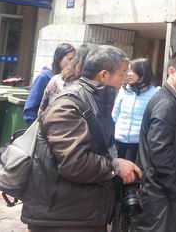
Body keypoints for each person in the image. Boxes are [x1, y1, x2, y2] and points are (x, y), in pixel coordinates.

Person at [21, 45, 142, 231]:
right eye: (122, 73)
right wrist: (115, 166)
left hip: (83, 213)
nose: (126, 78)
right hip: (61, 219)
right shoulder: (68, 105)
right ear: (104, 75)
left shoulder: (97, 101)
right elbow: (74, 163)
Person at [132, 51, 176, 232]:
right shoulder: (166, 104)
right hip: (161, 196)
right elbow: (159, 151)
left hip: (167, 193)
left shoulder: (175, 101)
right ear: (172, 71)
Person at [112, 58, 159, 161]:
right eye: (128, 70)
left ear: (142, 72)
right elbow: (115, 113)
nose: (128, 74)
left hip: (138, 143)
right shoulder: (124, 89)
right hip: (119, 139)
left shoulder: (154, 93)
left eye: (132, 71)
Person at [23, 43, 75, 124]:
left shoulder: (70, 80)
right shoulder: (44, 77)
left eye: (74, 60)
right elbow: (30, 110)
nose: (72, 63)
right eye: (70, 59)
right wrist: (39, 127)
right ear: (59, 59)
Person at [38, 44, 91, 117]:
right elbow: (39, 110)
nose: (71, 61)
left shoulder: (55, 79)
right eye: (70, 59)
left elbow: (41, 111)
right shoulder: (49, 78)